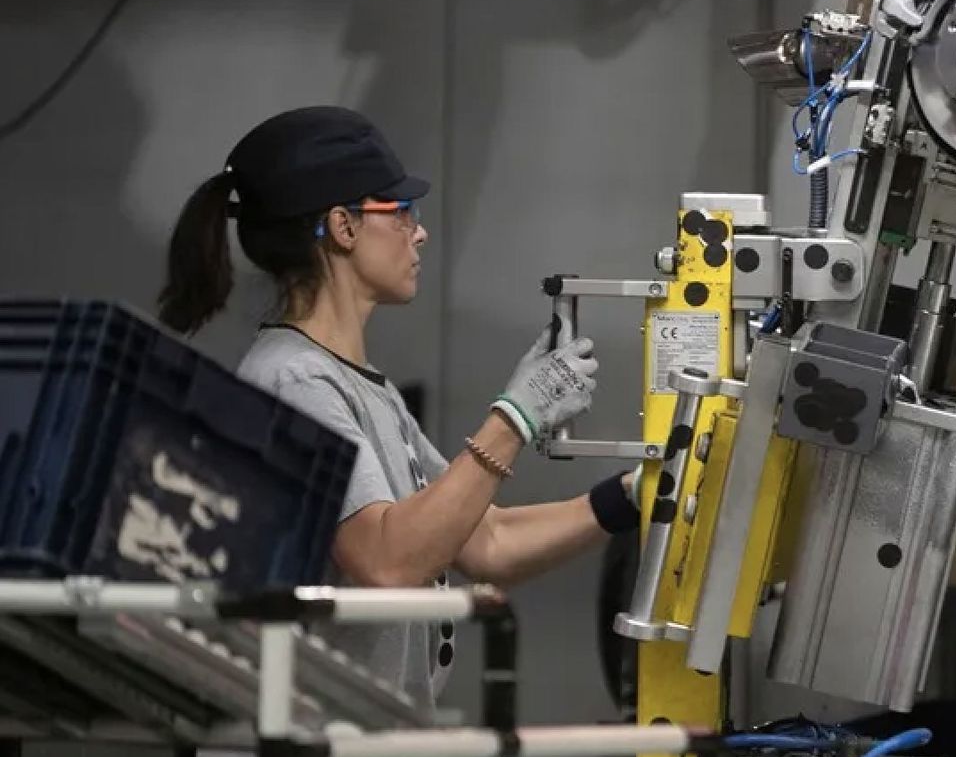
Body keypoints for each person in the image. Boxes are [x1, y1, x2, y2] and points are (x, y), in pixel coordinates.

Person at [157, 105, 639, 716]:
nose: (420, 232)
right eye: (400, 212)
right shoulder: (293, 381)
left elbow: (486, 541)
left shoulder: (359, 386)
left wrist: (635, 496)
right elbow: (388, 560)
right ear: (343, 227)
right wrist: (517, 416)